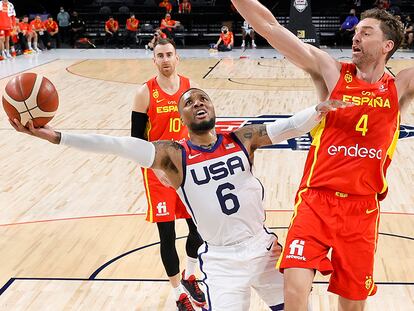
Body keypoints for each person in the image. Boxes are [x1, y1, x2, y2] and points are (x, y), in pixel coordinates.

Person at [10, 88, 350, 311]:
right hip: (222, 262)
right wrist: (55, 136)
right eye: (188, 102)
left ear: (214, 107)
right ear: (182, 117)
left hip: (262, 249)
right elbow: (116, 145)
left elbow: (288, 126)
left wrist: (317, 110)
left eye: (203, 98)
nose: (197, 103)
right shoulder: (173, 155)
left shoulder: (242, 138)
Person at [232, 1, 413, 310]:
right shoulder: (331, 71)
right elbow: (269, 26)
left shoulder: (401, 86)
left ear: (387, 45)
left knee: (353, 304)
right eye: (355, 32)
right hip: (316, 201)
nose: (355, 37)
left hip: (362, 208)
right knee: (295, 285)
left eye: (365, 33)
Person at [132, 38, 205, 311]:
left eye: (169, 55)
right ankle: (178, 294)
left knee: (198, 229)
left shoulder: (190, 89)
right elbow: (135, 141)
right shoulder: (145, 93)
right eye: (159, 55)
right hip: (158, 173)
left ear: (177, 58)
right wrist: (156, 168)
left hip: (187, 169)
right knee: (167, 236)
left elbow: (200, 128)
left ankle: (191, 275)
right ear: (154, 60)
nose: (165, 59)